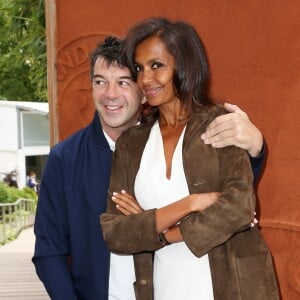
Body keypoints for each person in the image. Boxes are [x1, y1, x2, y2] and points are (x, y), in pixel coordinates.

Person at [33, 35, 265, 299]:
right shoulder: (65, 159)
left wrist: (256, 149)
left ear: (143, 91)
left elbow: (225, 191)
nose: (110, 94)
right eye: (100, 82)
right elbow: (49, 252)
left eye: (123, 82)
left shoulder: (174, 140)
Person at [100, 18, 279, 300]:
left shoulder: (219, 123)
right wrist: (191, 203)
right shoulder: (130, 145)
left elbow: (239, 208)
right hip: (163, 288)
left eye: (156, 65)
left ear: (183, 66)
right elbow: (115, 232)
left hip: (232, 288)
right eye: (139, 68)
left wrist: (160, 230)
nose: (145, 79)